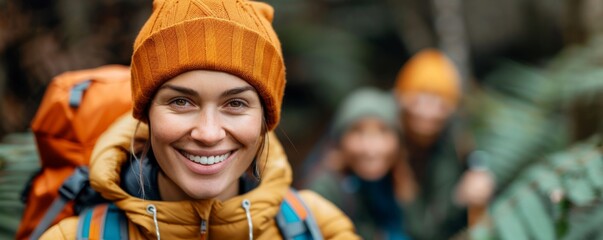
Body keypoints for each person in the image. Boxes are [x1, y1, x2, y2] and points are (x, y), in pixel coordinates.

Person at [39, 0, 358, 239]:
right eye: (181, 101)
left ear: (266, 119)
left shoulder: (317, 227)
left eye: (235, 103)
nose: (207, 133)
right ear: (146, 113)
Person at [394, 48, 494, 239]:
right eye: (420, 98)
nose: (427, 110)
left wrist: (476, 186)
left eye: (438, 100)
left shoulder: (452, 142)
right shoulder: (388, 143)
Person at [306, 87, 412, 240]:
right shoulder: (325, 191)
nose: (371, 148)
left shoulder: (396, 182)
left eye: (383, 131)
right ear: (340, 142)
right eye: (357, 131)